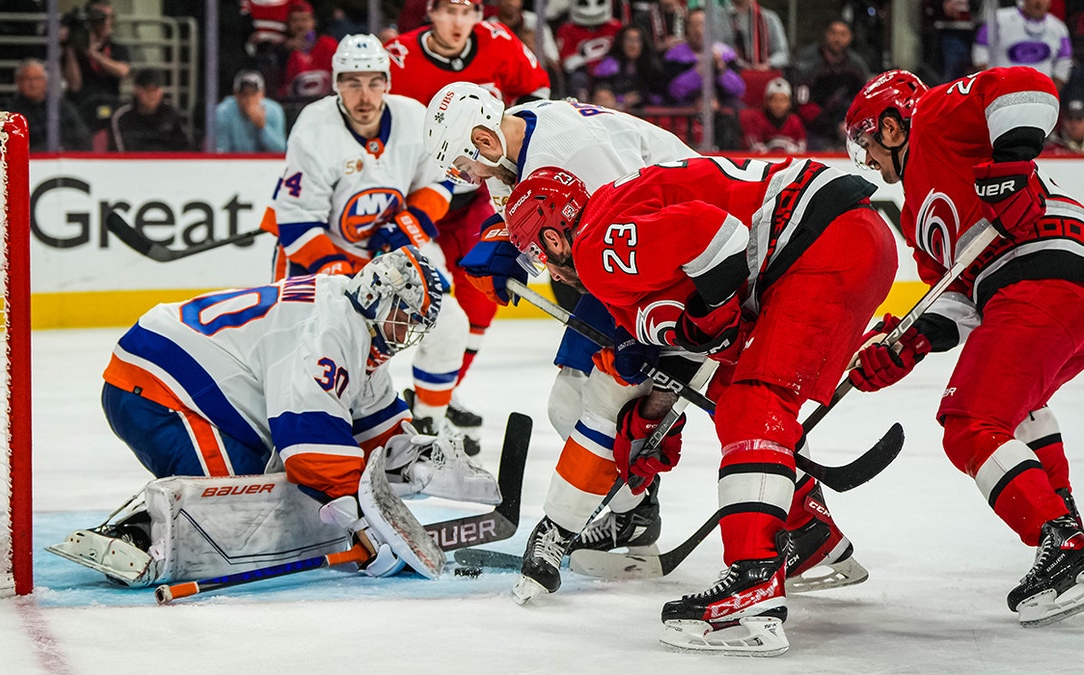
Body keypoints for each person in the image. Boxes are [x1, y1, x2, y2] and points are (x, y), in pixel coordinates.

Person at [425, 81, 874, 606]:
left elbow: (614, 231)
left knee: (627, 397)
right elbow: (556, 224)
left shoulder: (568, 153)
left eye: (462, 165)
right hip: (669, 250)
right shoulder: (515, 138)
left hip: (690, 258)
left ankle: (670, 513)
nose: (466, 178)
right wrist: (508, 245)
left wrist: (679, 343)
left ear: (481, 137)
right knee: (590, 401)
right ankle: (641, 510)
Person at [502, 156, 897, 655]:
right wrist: (656, 413)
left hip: (819, 241)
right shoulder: (613, 216)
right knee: (738, 399)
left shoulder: (596, 246)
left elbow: (716, 237)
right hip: (837, 239)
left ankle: (752, 590)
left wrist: (711, 318)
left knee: (755, 407)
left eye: (539, 253)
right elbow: (705, 323)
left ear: (554, 238)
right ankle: (806, 534)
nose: (547, 267)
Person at [51, 247, 488, 585]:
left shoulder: (355, 322)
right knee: (240, 511)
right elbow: (312, 450)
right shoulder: (330, 332)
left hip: (184, 384)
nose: (404, 333)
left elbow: (375, 428)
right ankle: (131, 539)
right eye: (402, 318)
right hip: (159, 388)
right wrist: (365, 526)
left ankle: (141, 528)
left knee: (273, 496)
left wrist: (417, 461)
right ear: (377, 296)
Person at [844, 66, 1084, 628]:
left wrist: (1012, 163)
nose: (870, 161)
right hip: (1032, 288)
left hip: (1043, 271)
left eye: (868, 143)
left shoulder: (932, 118)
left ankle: (1062, 541)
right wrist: (909, 341)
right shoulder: (914, 215)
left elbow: (1026, 85)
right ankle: (1065, 517)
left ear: (891, 126)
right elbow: (956, 299)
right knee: (1014, 404)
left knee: (970, 420)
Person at [263, 34, 477, 456]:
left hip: (391, 251)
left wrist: (408, 222)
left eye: (374, 82)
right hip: (324, 251)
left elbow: (440, 182)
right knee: (306, 345)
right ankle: (300, 427)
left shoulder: (413, 118)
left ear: (388, 82)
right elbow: (297, 221)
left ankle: (430, 422)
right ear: (336, 85)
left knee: (449, 323)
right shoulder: (314, 128)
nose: (364, 95)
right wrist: (346, 276)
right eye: (352, 82)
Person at [384, 0, 552, 447]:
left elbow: (537, 95)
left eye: (468, 11)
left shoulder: (499, 42)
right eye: (449, 11)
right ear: (431, 13)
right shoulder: (397, 58)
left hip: (480, 194)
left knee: (482, 297)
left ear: (479, 15)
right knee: (428, 301)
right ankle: (394, 404)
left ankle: (440, 396)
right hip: (417, 199)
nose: (459, 23)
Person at [662, 8, 745, 150]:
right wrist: (698, 72)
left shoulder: (725, 55)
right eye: (693, 25)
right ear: (687, 29)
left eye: (702, 24)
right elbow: (673, 91)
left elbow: (739, 90)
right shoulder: (674, 56)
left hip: (720, 119)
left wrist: (721, 70)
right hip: (684, 117)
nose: (698, 30)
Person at [791, 18, 873, 151]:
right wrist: (830, 124)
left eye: (843, 34)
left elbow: (864, 101)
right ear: (826, 34)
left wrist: (849, 124)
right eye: (833, 33)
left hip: (848, 127)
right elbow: (801, 103)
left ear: (850, 37)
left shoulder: (857, 65)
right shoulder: (807, 62)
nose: (837, 38)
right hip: (814, 129)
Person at [63, 0, 132, 131]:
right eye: (98, 17)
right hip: (81, 104)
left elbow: (123, 71)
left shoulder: (117, 47)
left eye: (108, 17)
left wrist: (94, 54)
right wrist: (71, 47)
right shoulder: (76, 49)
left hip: (110, 103)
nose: (104, 22)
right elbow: (74, 84)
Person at [971, 0, 1071, 91]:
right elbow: (980, 52)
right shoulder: (999, 19)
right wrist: (991, 86)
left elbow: (1064, 61)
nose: (1039, 3)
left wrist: (1051, 92)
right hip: (1001, 89)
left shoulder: (1059, 27)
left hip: (1040, 92)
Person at [5, 59, 92, 152]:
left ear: (45, 81)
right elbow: (8, 146)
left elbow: (83, 138)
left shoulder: (61, 107)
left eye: (37, 79)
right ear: (18, 82)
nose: (33, 84)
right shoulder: (11, 112)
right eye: (28, 79)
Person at [108, 68, 191, 152]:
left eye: (156, 90)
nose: (152, 95)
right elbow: (119, 153)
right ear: (137, 90)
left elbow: (185, 148)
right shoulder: (122, 116)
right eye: (148, 90)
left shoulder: (171, 113)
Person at [591, 24, 665, 111]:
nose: (632, 45)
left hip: (644, 112)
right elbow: (601, 91)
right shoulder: (610, 64)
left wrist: (640, 98)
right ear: (621, 42)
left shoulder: (651, 65)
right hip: (615, 109)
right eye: (629, 40)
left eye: (637, 40)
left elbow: (658, 94)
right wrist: (621, 99)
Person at [214, 69, 288, 153]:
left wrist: (262, 127)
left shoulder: (274, 110)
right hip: (234, 163)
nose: (249, 100)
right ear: (236, 94)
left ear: (262, 94)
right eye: (244, 94)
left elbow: (281, 150)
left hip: (264, 164)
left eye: (253, 94)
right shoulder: (223, 112)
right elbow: (221, 151)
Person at [740, 75, 806, 154]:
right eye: (775, 100)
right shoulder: (757, 120)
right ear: (767, 102)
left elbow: (801, 147)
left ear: (789, 102)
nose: (779, 104)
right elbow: (754, 145)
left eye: (783, 100)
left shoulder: (795, 121)